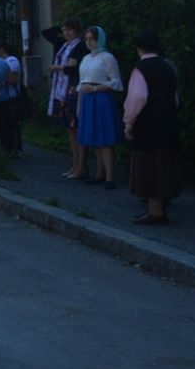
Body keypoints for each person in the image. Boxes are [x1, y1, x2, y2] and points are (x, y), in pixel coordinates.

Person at [123, 30, 180, 225]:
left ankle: (155, 211)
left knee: (148, 167)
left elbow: (137, 98)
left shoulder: (141, 68)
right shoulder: (168, 66)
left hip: (147, 124)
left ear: (140, 47)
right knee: (164, 165)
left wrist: (128, 122)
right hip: (168, 122)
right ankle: (162, 204)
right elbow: (175, 97)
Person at [77, 26, 124, 189]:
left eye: (92, 39)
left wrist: (96, 88)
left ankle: (110, 177)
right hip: (88, 99)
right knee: (96, 138)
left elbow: (116, 82)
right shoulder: (86, 58)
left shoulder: (108, 58)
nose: (88, 42)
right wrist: (79, 104)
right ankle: (99, 174)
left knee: (104, 138)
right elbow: (82, 83)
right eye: (86, 39)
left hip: (102, 99)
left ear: (99, 39)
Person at [43, 18, 90, 179]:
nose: (66, 33)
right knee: (70, 130)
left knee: (76, 128)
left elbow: (76, 69)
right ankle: (76, 163)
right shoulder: (64, 45)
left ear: (77, 30)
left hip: (74, 90)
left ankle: (82, 165)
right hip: (62, 90)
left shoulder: (80, 46)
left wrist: (60, 68)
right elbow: (46, 33)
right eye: (64, 30)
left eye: (69, 29)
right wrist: (63, 26)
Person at [0, 41, 26, 158]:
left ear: (1, 49)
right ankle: (8, 147)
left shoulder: (11, 61)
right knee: (6, 123)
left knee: (13, 124)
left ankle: (16, 148)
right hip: (5, 96)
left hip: (12, 96)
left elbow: (13, 79)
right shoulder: (4, 61)